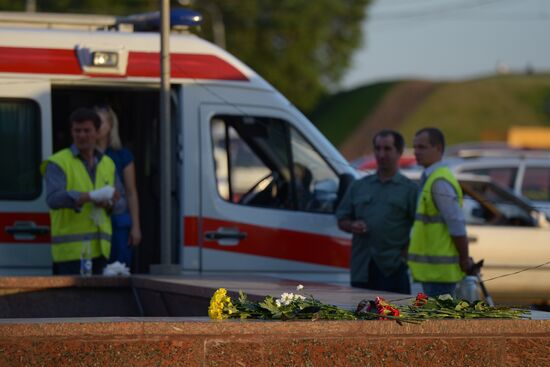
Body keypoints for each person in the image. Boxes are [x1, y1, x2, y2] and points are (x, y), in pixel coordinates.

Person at [42, 108, 126, 275]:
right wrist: (90, 197)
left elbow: (121, 202)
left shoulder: (108, 163)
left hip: (100, 251)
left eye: (86, 130)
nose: (81, 135)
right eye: (77, 131)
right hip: (70, 254)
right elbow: (53, 199)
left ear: (97, 132)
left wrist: (109, 203)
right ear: (71, 132)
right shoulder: (58, 162)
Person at [336, 130, 417, 294]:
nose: (381, 154)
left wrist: (404, 255)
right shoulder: (359, 186)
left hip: (393, 269)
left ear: (399, 152)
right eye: (377, 148)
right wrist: (352, 225)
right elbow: (341, 218)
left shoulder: (410, 189)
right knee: (361, 317)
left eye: (387, 149)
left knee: (395, 318)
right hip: (362, 268)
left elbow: (420, 228)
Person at [409, 127, 473, 297]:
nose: (416, 152)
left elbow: (456, 224)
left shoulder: (439, 181)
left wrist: (464, 259)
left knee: (438, 321)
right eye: (415, 147)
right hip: (433, 272)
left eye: (422, 147)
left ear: (438, 148)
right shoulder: (433, 177)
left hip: (440, 275)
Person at [95, 105, 141, 267]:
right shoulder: (84, 155)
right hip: (94, 220)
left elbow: (131, 192)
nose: (97, 126)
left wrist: (135, 227)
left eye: (100, 122)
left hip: (119, 221)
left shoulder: (122, 155)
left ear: (111, 126)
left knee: (119, 269)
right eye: (94, 122)